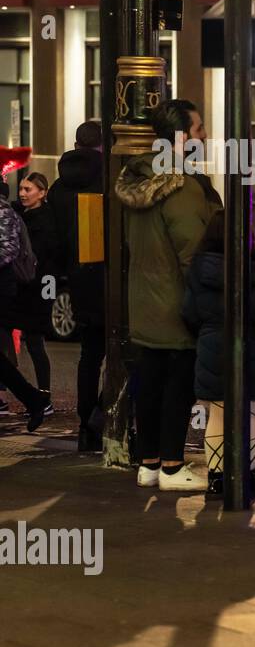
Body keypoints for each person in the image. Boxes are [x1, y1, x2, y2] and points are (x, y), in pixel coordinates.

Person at [114, 99, 219, 492]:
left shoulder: (137, 179)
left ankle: (150, 464)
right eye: (199, 129)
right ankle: (174, 467)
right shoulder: (184, 187)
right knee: (179, 386)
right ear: (181, 137)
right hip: (178, 305)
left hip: (144, 303)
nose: (204, 135)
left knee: (151, 383)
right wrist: (208, 304)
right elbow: (195, 254)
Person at [183, 214, 255, 497]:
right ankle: (247, 478)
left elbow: (189, 311)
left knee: (218, 412)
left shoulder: (199, 267)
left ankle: (217, 479)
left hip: (212, 346)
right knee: (246, 413)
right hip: (250, 350)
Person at [47, 121, 107, 451]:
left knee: (89, 355)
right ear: (102, 146)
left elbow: (54, 240)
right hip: (108, 278)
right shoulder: (106, 180)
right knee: (128, 355)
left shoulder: (58, 187)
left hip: (79, 279)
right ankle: (102, 412)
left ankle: (86, 422)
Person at [1, 173, 59, 415]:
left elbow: (48, 258)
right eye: (22, 189)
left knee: (35, 342)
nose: (23, 194)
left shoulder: (47, 220)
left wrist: (47, 291)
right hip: (23, 286)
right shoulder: (19, 214)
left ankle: (44, 396)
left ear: (42, 193)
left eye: (29, 189)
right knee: (7, 337)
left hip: (38, 287)